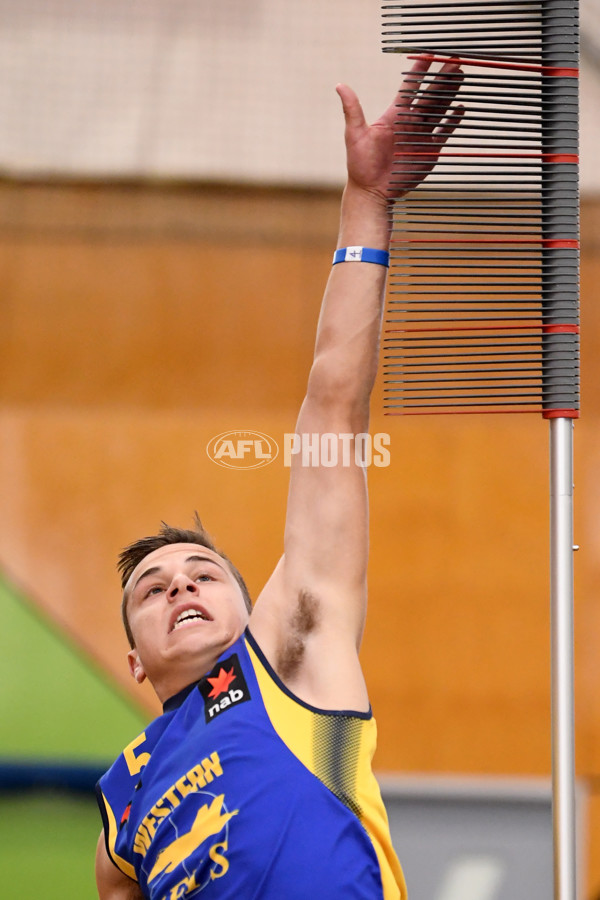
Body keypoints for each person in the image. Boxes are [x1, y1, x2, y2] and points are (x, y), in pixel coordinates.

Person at [94, 56, 464, 900]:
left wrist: (367, 202)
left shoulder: (288, 655)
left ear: (248, 604)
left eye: (201, 574)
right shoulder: (122, 801)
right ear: (134, 663)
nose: (179, 587)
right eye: (152, 590)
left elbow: (330, 415)